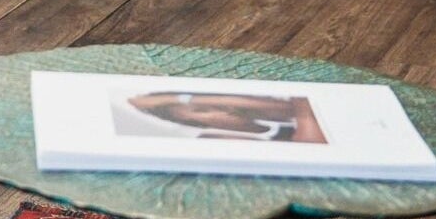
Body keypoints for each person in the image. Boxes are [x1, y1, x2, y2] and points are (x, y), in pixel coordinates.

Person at [120, 91, 329, 143]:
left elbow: (297, 104)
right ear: (202, 124)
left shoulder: (275, 106)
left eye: (214, 102)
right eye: (204, 111)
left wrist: (193, 98)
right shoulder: (211, 139)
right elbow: (311, 141)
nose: (224, 109)